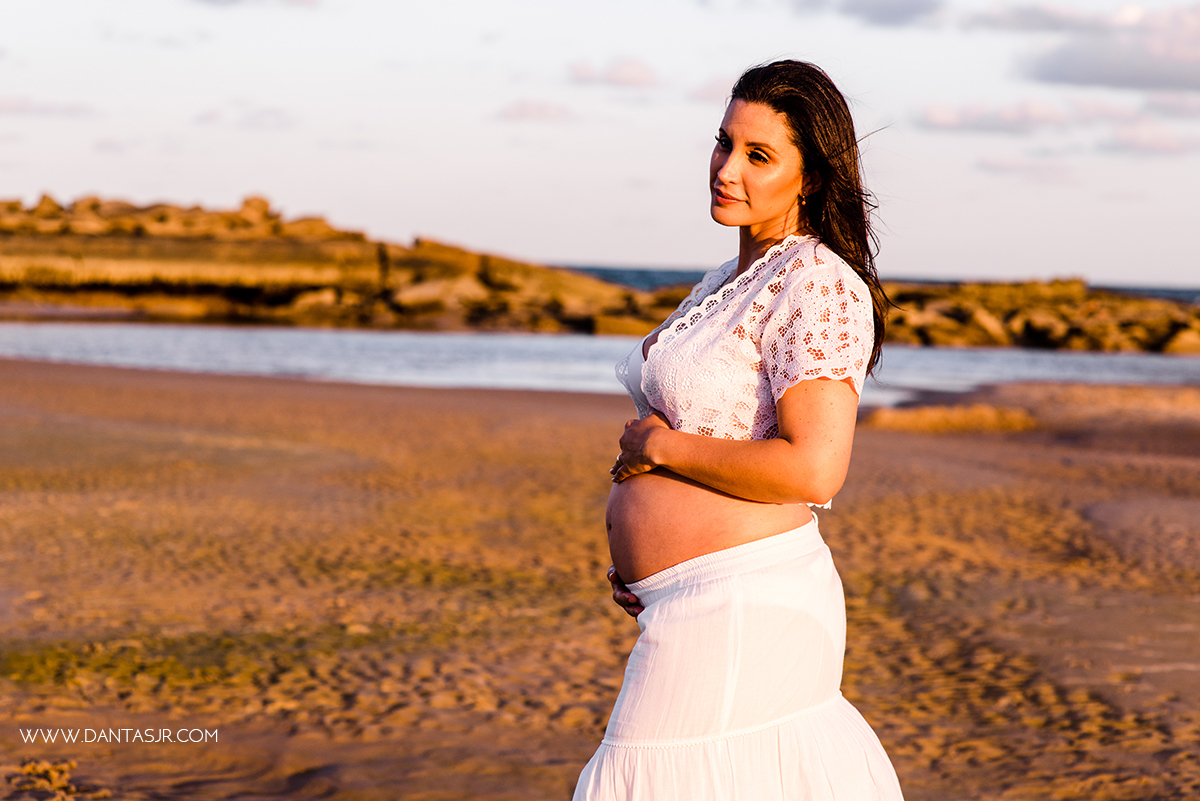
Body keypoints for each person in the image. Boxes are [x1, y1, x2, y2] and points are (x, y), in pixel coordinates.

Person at [572, 61, 905, 800]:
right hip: (690, 597)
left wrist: (657, 450)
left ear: (811, 177)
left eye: (759, 156)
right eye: (724, 143)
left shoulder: (817, 282)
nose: (726, 169)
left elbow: (814, 469)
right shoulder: (728, 278)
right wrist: (645, 556)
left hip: (747, 601)